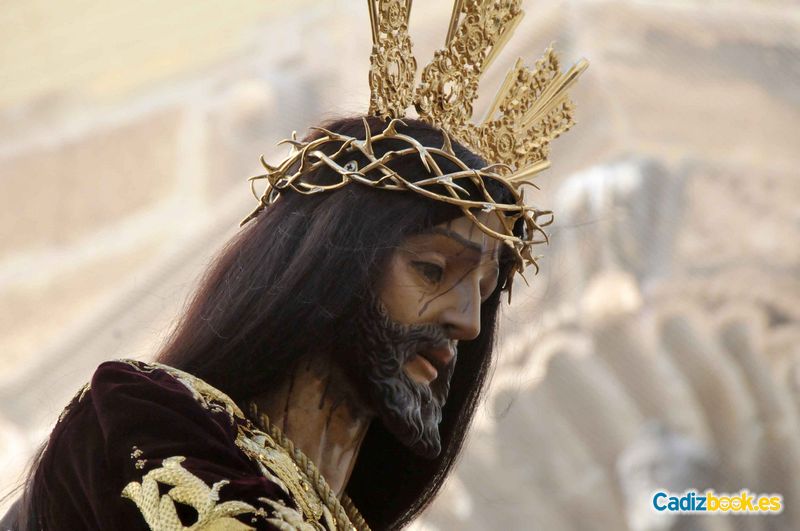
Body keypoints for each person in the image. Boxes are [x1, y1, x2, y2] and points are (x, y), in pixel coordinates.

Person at [6, 1, 587, 530]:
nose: (468, 324)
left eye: (482, 294)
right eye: (432, 271)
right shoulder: (140, 425)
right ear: (329, 265)